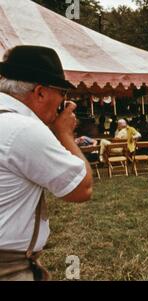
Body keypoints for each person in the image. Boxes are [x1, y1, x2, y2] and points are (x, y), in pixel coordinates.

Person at [0, 45, 93, 281]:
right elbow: (81, 188)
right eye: (61, 92)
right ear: (40, 92)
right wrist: (65, 135)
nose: (64, 100)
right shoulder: (23, 128)